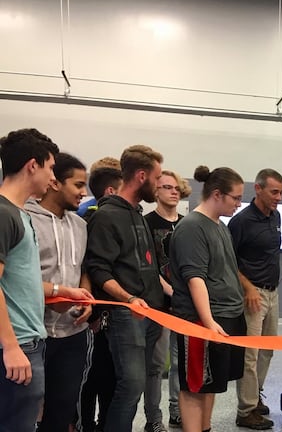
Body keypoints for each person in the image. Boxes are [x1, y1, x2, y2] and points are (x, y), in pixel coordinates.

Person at [0, 129, 89, 432]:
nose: (53, 176)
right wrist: (11, 346)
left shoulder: (18, 214)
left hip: (30, 340)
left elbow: (19, 281)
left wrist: (63, 290)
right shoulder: (5, 214)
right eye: (51, 167)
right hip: (17, 344)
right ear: (32, 166)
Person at [84, 145, 166, 432]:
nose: (158, 185)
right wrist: (129, 298)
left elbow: (148, 267)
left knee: (137, 385)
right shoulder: (106, 217)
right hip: (126, 317)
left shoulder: (139, 217)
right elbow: (98, 270)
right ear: (141, 176)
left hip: (151, 315)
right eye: (156, 179)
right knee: (130, 386)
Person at [169, 165, 246, 432]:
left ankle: (205, 428)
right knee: (195, 385)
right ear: (217, 194)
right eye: (235, 198)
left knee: (211, 383)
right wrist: (208, 320)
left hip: (226, 315)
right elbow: (195, 279)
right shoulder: (191, 227)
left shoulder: (220, 226)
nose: (239, 203)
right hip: (200, 320)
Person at [25, 152, 95, 432]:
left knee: (63, 407)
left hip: (72, 334)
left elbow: (84, 270)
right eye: (78, 185)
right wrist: (52, 295)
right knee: (23, 409)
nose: (83, 192)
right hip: (32, 334)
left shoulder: (80, 225)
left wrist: (86, 297)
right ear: (55, 183)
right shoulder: (23, 218)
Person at [231, 168, 282, 430]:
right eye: (274, 192)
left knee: (267, 351)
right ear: (258, 189)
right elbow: (229, 261)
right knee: (249, 355)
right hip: (251, 295)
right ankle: (246, 410)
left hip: (272, 293)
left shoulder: (275, 217)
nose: (279, 197)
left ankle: (255, 395)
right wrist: (249, 288)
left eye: (281, 192)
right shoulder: (241, 221)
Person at [144, 169, 191, 429]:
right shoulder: (146, 223)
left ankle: (177, 410)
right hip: (158, 302)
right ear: (155, 191)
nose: (173, 191)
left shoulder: (188, 223)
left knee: (181, 360)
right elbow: (149, 266)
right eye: (166, 187)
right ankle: (153, 418)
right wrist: (170, 292)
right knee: (155, 364)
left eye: (176, 187)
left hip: (185, 304)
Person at [79, 164, 123, 432]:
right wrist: (94, 313)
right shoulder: (91, 217)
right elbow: (91, 268)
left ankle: (105, 424)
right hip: (93, 316)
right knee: (89, 381)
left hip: (111, 317)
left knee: (109, 380)